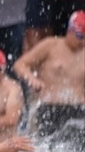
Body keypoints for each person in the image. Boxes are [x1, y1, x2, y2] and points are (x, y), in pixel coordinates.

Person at [14, 11, 85, 143]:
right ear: (70, 30)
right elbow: (20, 64)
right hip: (50, 109)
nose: (83, 42)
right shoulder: (51, 45)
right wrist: (33, 80)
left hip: (79, 110)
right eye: (80, 36)